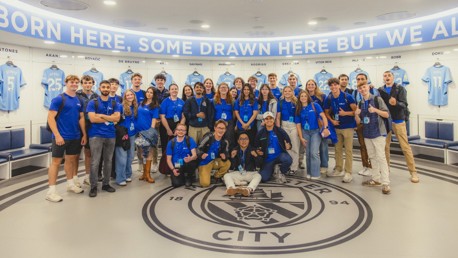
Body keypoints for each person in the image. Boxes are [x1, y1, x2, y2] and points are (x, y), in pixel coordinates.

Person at [45, 75, 86, 202]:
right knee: (56, 162)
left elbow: (81, 118)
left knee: (71, 160)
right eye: (71, 82)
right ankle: (51, 191)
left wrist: (84, 134)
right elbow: (50, 117)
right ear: (66, 83)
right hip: (60, 137)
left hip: (75, 136)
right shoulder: (59, 99)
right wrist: (57, 135)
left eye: (76, 82)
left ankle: (70, 184)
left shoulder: (79, 99)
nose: (74, 84)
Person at [378, 71, 419, 183]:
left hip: (398, 121)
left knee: (405, 147)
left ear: (393, 77)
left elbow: (404, 105)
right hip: (386, 122)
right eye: (385, 75)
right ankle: (386, 171)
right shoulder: (380, 90)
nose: (387, 77)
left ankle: (413, 172)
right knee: (385, 147)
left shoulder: (400, 89)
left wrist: (395, 103)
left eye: (389, 75)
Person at [86, 80, 121, 197]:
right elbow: (92, 119)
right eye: (103, 87)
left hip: (111, 135)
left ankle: (106, 184)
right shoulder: (93, 103)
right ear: (100, 88)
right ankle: (94, 186)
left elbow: (117, 119)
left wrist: (101, 115)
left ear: (110, 88)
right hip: (96, 135)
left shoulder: (115, 103)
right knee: (95, 162)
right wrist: (109, 118)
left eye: (107, 87)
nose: (106, 89)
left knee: (108, 161)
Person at [355, 83, 391, 194]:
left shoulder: (377, 99)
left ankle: (386, 183)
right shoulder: (360, 103)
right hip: (367, 133)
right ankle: (376, 179)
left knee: (381, 157)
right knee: (372, 157)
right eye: (360, 88)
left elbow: (386, 114)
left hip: (378, 133)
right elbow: (358, 121)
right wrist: (356, 114)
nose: (362, 89)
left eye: (364, 87)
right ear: (358, 90)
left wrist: (375, 110)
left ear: (368, 87)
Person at [324, 77, 357, 183]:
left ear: (339, 85)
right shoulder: (329, 98)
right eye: (331, 85)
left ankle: (348, 172)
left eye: (335, 85)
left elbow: (356, 111)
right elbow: (326, 112)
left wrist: (345, 113)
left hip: (348, 127)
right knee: (337, 149)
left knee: (348, 150)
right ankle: (338, 169)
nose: (333, 87)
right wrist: (332, 121)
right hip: (337, 127)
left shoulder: (348, 97)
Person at [296, 90, 330, 179]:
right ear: (299, 98)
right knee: (308, 153)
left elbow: (323, 116)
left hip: (315, 131)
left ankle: (315, 174)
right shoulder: (298, 109)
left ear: (308, 97)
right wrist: (301, 137)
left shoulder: (315, 105)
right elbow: (298, 125)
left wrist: (326, 128)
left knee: (314, 152)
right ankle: (309, 172)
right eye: (301, 96)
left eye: (305, 96)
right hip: (305, 132)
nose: (303, 98)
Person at [254, 112, 292, 182]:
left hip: (279, 155)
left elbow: (288, 141)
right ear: (264, 121)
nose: (269, 120)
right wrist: (258, 151)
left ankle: (281, 171)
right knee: (264, 178)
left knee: (288, 159)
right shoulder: (260, 133)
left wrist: (288, 146)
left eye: (271, 118)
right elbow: (256, 146)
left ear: (274, 120)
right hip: (268, 159)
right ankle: (272, 169)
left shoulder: (279, 130)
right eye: (266, 119)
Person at [354, 73, 379, 176]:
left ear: (367, 80)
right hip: (361, 122)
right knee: (363, 146)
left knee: (374, 148)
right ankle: (365, 166)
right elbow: (355, 105)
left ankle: (374, 168)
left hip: (373, 124)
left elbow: (378, 105)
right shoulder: (355, 92)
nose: (360, 80)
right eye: (358, 79)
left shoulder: (373, 90)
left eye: (362, 79)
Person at [76, 75, 99, 185]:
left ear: (93, 83)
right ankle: (74, 178)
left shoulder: (96, 96)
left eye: (89, 83)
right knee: (75, 154)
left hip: (91, 126)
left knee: (88, 152)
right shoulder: (76, 95)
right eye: (85, 83)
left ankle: (87, 176)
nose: (87, 85)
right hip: (77, 126)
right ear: (82, 84)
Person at [224, 132, 262, 197]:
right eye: (241, 139)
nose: (244, 141)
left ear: (249, 140)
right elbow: (232, 167)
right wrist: (232, 157)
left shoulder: (253, 149)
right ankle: (231, 188)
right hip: (239, 172)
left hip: (249, 173)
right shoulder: (234, 150)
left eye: (246, 139)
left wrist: (256, 156)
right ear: (238, 141)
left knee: (258, 176)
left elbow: (259, 164)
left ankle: (248, 189)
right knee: (226, 175)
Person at [159, 84, 185, 174]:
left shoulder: (182, 102)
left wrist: (179, 129)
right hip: (166, 125)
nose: (174, 90)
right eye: (172, 89)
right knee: (167, 147)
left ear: (178, 90)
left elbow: (183, 116)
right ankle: (166, 168)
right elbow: (162, 116)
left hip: (178, 125)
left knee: (178, 147)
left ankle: (177, 167)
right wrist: (168, 129)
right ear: (169, 91)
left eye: (176, 89)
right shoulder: (165, 102)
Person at [135, 86, 160, 183]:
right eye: (148, 92)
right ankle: (144, 174)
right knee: (142, 153)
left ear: (154, 95)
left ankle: (148, 174)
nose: (149, 94)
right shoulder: (140, 103)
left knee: (149, 153)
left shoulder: (155, 106)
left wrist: (151, 132)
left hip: (147, 132)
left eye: (151, 93)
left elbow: (154, 120)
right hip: (138, 131)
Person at [196, 120, 231, 187]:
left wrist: (225, 156)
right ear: (215, 128)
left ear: (225, 130)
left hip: (215, 161)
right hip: (205, 162)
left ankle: (216, 177)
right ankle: (203, 173)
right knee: (205, 184)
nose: (221, 130)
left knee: (227, 163)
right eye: (219, 128)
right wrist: (201, 154)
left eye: (223, 128)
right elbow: (198, 148)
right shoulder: (208, 137)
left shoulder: (225, 141)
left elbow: (226, 153)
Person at [306, 79, 329, 175]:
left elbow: (326, 111)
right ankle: (314, 165)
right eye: (308, 84)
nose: (310, 86)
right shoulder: (304, 97)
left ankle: (324, 165)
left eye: (312, 84)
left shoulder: (322, 96)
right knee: (312, 149)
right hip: (310, 125)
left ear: (315, 86)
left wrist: (325, 125)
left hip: (321, 124)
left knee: (323, 146)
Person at [114, 90, 138, 186]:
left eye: (131, 94)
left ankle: (128, 174)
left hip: (132, 134)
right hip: (123, 135)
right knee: (122, 157)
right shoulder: (120, 106)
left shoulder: (136, 107)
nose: (129, 96)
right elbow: (115, 120)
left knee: (131, 156)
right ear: (124, 97)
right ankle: (120, 178)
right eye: (127, 95)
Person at [166, 123, 199, 188]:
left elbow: (195, 155)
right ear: (175, 131)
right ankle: (182, 176)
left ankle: (189, 177)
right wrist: (173, 170)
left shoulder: (189, 140)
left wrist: (191, 158)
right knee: (176, 184)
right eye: (179, 130)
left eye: (183, 130)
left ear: (186, 132)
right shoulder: (171, 142)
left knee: (192, 163)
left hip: (187, 163)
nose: (180, 132)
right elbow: (168, 160)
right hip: (176, 165)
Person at [276, 85, 299, 175]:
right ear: (283, 92)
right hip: (284, 125)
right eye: (285, 91)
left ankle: (294, 167)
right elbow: (278, 117)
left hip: (294, 126)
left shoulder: (296, 102)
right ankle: (288, 166)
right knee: (287, 146)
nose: (287, 93)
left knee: (295, 146)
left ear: (292, 92)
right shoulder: (280, 102)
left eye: (289, 91)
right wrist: (278, 129)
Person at [213, 82, 235, 148]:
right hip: (217, 123)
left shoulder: (232, 100)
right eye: (222, 87)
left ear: (228, 89)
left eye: (225, 87)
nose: (223, 89)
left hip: (229, 123)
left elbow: (234, 113)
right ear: (219, 89)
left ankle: (227, 155)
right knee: (218, 139)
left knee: (229, 139)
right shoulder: (214, 100)